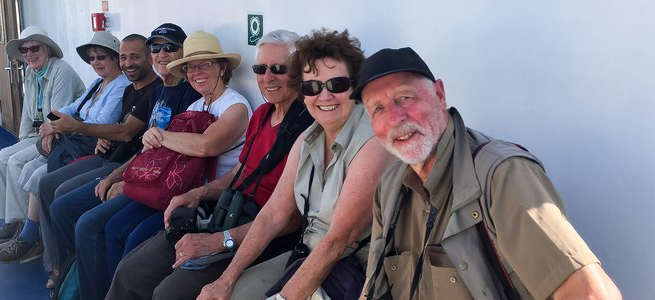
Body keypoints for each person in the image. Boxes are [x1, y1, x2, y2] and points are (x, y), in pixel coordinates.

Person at [351, 47, 621, 299]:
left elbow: (591, 293)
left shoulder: (502, 175)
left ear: (440, 95)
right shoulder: (389, 188)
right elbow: (372, 287)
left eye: (405, 98)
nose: (395, 118)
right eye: (378, 109)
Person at [106, 29, 314, 300]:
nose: (267, 77)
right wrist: (199, 193)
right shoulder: (262, 114)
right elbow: (240, 171)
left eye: (279, 68)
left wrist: (220, 240)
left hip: (260, 235)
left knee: (169, 292)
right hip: (226, 211)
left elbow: (286, 220)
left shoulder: (306, 129)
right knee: (130, 270)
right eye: (260, 68)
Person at [50, 30, 251, 300]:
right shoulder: (195, 104)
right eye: (191, 67)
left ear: (222, 67)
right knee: (108, 228)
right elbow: (156, 150)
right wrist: (123, 171)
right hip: (173, 187)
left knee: (132, 240)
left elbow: (206, 146)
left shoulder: (235, 106)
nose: (196, 72)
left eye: (205, 64)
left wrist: (161, 135)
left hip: (207, 199)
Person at [197, 29, 393, 300]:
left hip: (351, 272)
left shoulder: (371, 143)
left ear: (355, 86)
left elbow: (338, 241)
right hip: (305, 255)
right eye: (312, 87)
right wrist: (226, 279)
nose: (324, 96)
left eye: (336, 84)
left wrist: (283, 297)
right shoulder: (309, 138)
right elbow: (272, 215)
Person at [36, 24, 196, 287]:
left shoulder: (189, 96)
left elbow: (139, 140)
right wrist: (116, 171)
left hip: (156, 183)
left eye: (169, 47)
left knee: (88, 223)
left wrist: (122, 178)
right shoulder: (157, 92)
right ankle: (72, 278)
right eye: (156, 48)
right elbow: (136, 138)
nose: (162, 54)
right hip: (128, 168)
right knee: (62, 203)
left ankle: (86, 283)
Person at [0, 31, 130, 264]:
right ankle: (29, 231)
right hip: (72, 140)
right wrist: (53, 124)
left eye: (102, 57)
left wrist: (60, 127)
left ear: (115, 58)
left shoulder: (120, 86)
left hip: (88, 146)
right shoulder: (98, 83)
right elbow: (72, 106)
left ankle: (32, 238)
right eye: (92, 58)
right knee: (25, 168)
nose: (96, 62)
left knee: (38, 176)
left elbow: (101, 122)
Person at [0, 26, 84, 242]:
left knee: (15, 162)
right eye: (25, 50)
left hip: (63, 135)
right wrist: (21, 140)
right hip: (38, 132)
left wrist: (45, 136)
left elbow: (58, 113)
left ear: (47, 49)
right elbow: (27, 112)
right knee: (2, 157)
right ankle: (12, 221)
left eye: (34, 48)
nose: (29, 53)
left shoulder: (62, 71)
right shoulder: (32, 74)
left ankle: (26, 230)